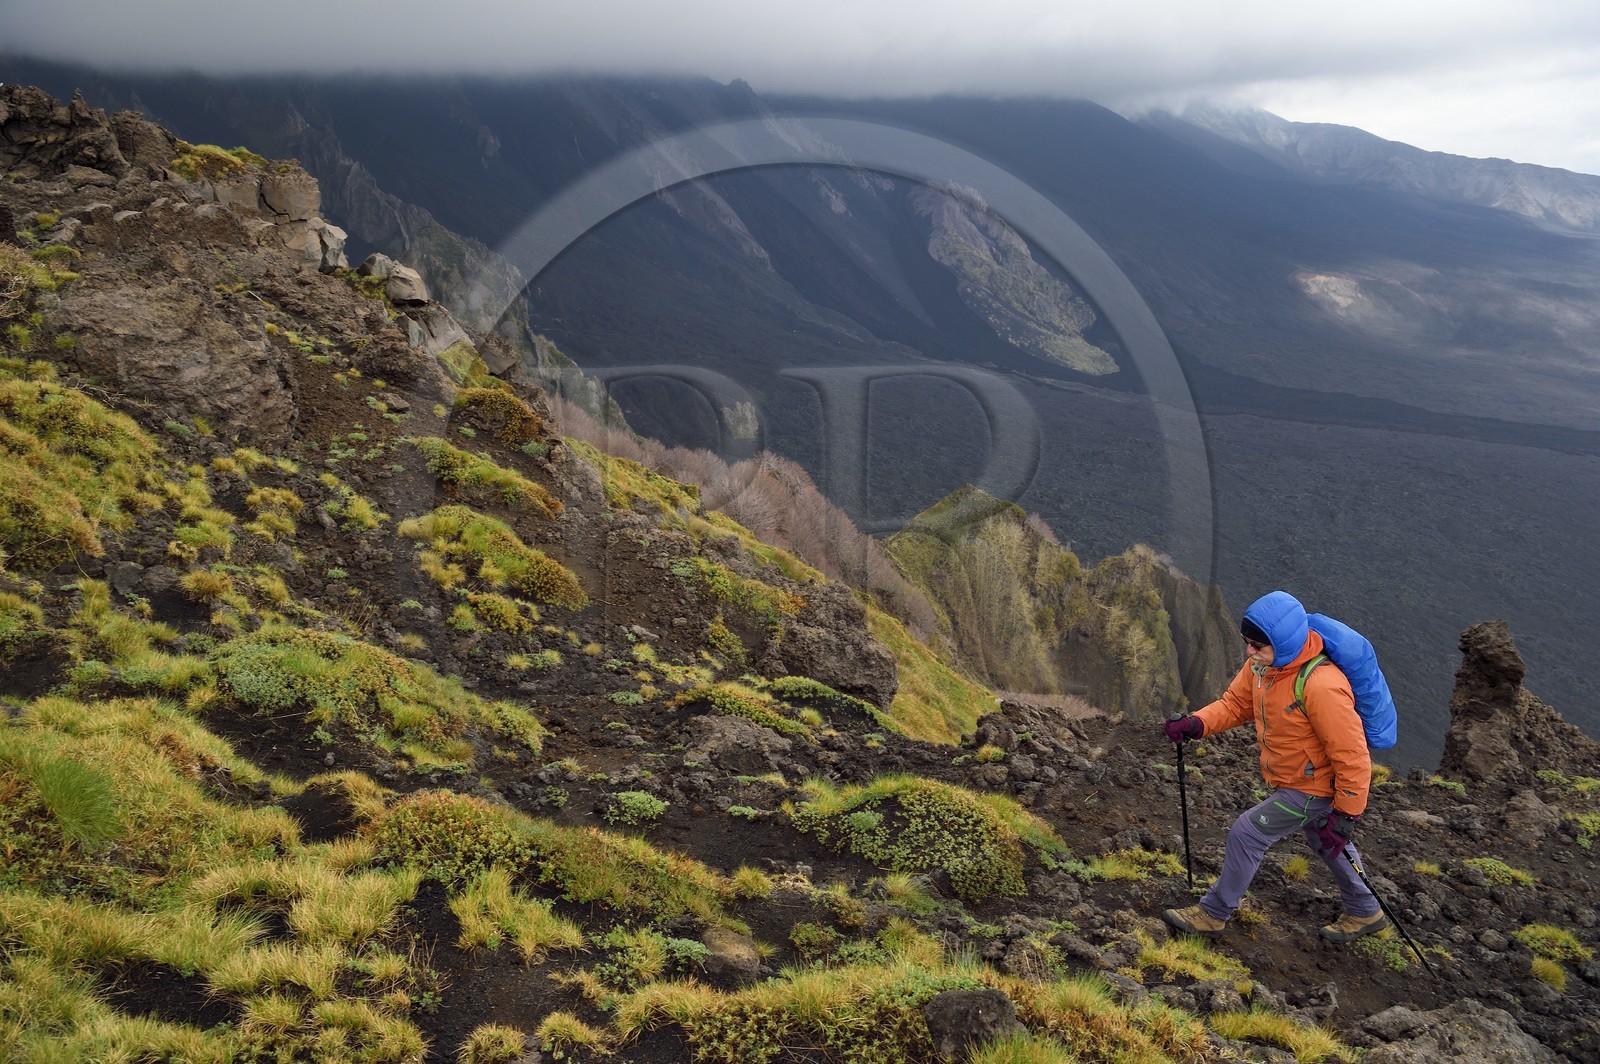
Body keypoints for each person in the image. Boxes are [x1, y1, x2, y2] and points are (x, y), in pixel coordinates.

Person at [1160, 590, 1387, 942]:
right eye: (1247, 643)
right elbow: (1235, 705)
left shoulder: (1322, 685)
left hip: (1314, 787)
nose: (1249, 652)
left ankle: (1213, 914)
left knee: (1248, 833)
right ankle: (1365, 910)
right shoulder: (1263, 667)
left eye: (1257, 645)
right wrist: (1196, 723)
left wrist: (1347, 813)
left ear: (1283, 642)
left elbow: (1352, 755)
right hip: (1296, 779)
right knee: (1325, 838)